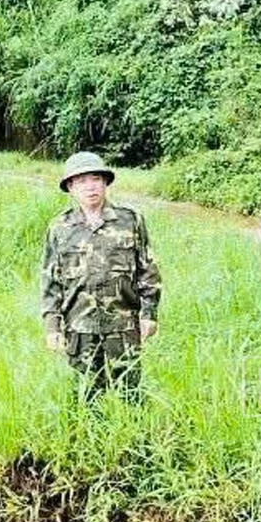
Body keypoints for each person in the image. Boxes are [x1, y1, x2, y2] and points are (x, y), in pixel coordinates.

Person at [41, 151, 162, 394]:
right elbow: (50, 281)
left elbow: (147, 270)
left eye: (95, 179)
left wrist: (149, 314)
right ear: (71, 188)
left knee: (130, 392)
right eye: (82, 181)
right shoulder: (59, 228)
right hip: (79, 328)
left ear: (105, 183)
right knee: (86, 396)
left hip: (123, 326)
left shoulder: (130, 220)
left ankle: (132, 432)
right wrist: (52, 327)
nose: (90, 187)